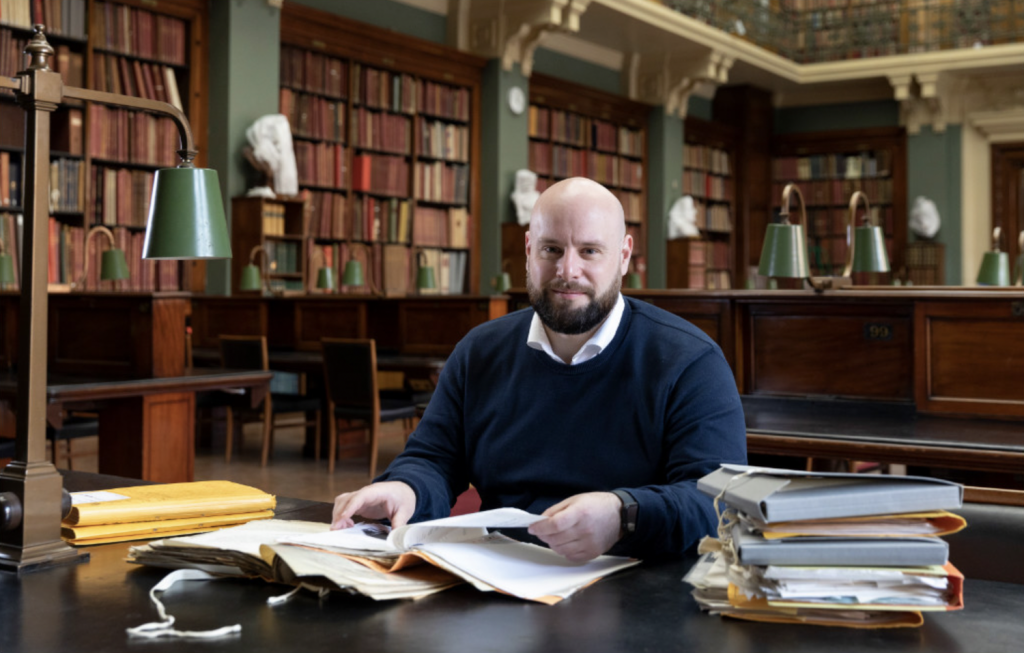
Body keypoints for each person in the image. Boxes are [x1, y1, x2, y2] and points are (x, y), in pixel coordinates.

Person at [332, 177, 747, 562]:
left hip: (637, 588)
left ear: (623, 256)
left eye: (589, 251)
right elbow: (434, 459)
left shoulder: (690, 361)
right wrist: (404, 487)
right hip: (499, 578)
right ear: (529, 250)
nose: (568, 271)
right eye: (551, 249)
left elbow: (719, 502)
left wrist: (624, 514)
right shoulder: (479, 351)